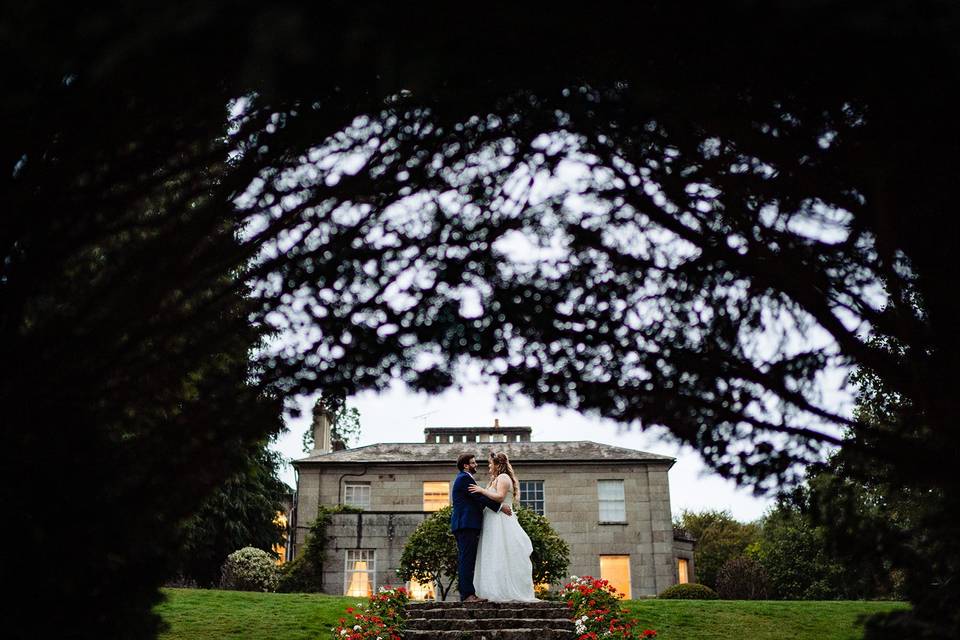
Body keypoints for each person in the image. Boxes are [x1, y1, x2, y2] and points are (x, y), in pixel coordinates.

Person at [467, 451, 538, 602]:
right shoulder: (495, 479)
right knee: (492, 553)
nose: (488, 467)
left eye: (490, 464)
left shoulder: (503, 478)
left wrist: (481, 490)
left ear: (498, 465)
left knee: (501, 552)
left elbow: (500, 497)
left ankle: (503, 591)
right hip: (492, 520)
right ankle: (490, 590)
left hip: (501, 521)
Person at [450, 452, 512, 602]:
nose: (476, 464)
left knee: (467, 558)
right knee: (467, 559)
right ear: (466, 465)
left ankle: (468, 593)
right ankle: (468, 595)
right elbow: (479, 497)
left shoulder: (465, 478)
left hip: (466, 524)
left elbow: (478, 499)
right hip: (466, 524)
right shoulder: (464, 478)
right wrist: (499, 507)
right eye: (473, 462)